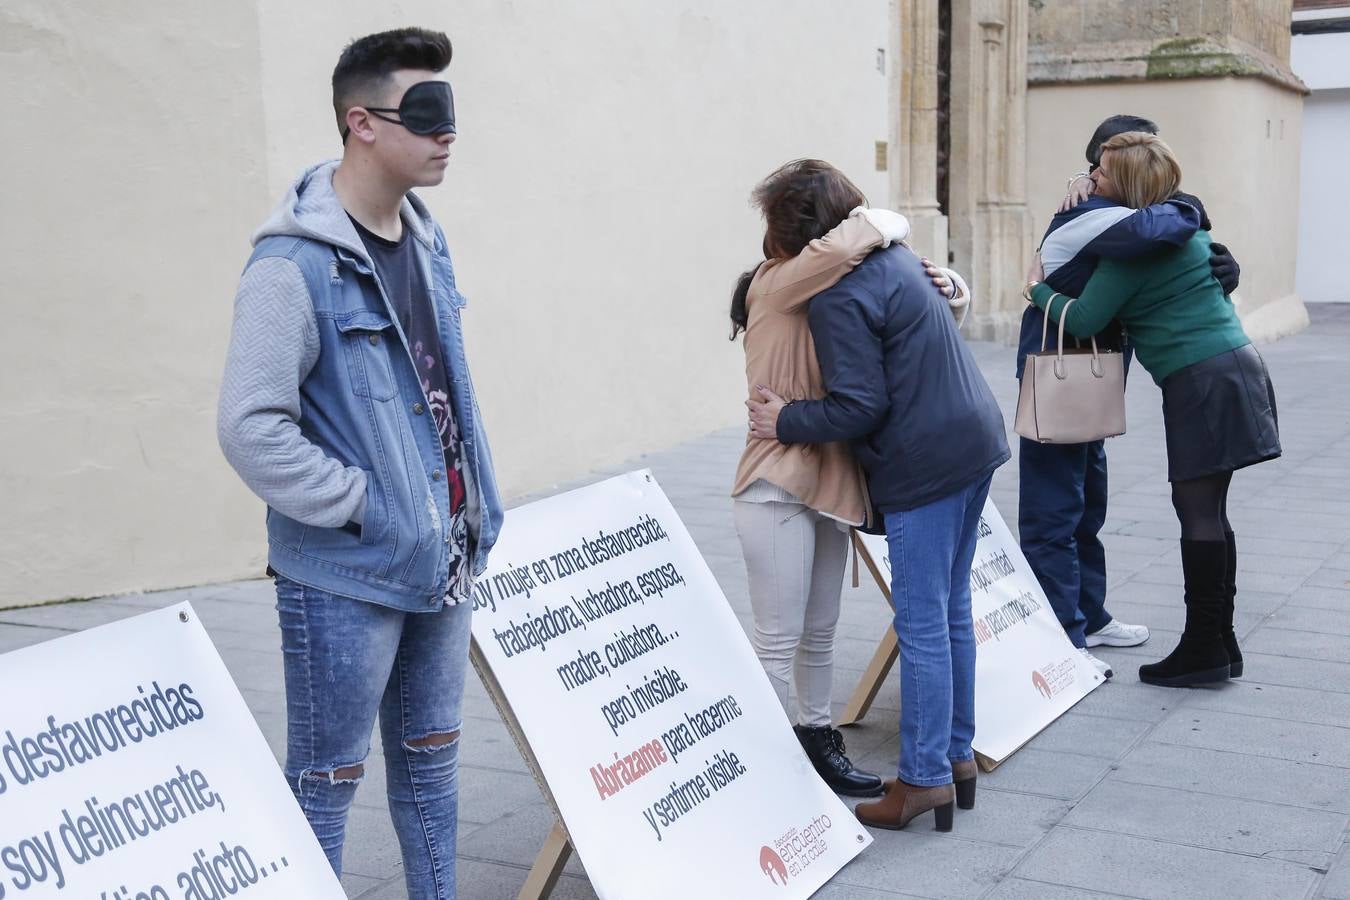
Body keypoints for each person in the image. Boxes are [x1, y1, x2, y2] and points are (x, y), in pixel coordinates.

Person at [217, 28, 503, 897]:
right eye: (425, 116)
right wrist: (365, 506)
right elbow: (249, 427)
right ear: (361, 123)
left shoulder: (426, 239)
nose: (446, 134)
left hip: (444, 555)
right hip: (345, 576)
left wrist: (464, 508)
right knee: (326, 782)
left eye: (450, 118)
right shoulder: (290, 267)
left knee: (432, 770)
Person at [747, 162, 1010, 832]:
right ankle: (955, 758)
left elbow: (859, 407)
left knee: (922, 621)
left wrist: (786, 421)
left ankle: (921, 780)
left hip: (926, 461)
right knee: (951, 610)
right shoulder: (896, 260)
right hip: (973, 439)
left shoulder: (838, 294)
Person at [1025, 131, 1279, 688]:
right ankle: (1220, 641)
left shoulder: (1132, 250)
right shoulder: (1189, 233)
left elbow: (1086, 318)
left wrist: (1037, 291)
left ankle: (1202, 648)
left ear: (1130, 186)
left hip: (1200, 383)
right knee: (1213, 510)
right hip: (1237, 367)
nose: (1094, 178)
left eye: (1105, 174)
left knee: (1197, 512)